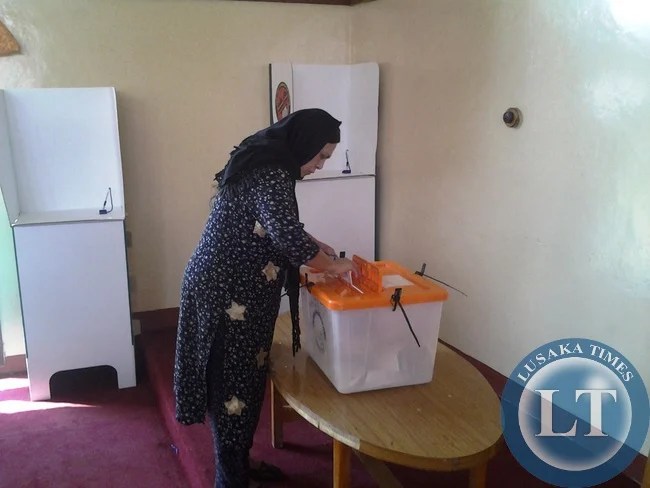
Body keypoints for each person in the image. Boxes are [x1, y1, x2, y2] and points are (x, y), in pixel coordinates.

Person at [173, 108, 358, 488]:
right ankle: (231, 479)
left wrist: (316, 245)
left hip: (234, 289)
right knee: (232, 388)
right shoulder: (272, 172)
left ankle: (238, 463)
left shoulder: (270, 164)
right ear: (304, 144)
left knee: (243, 381)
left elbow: (278, 226)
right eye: (321, 156)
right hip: (227, 295)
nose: (321, 165)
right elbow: (288, 237)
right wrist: (331, 265)